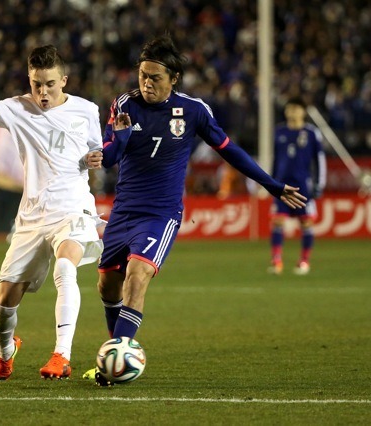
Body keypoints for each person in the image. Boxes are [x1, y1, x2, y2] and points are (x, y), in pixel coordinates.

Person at [83, 35, 306, 383]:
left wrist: (271, 185)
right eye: (142, 75)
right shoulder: (124, 104)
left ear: (173, 79)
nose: (146, 83)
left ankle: (117, 358)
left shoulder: (193, 110)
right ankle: (116, 352)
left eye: (155, 77)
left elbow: (230, 150)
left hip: (161, 214)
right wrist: (119, 140)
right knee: (106, 287)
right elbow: (109, 157)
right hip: (123, 212)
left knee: (136, 276)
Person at [0, 43, 104, 380]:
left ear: (64, 80)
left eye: (50, 84)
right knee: (5, 302)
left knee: (66, 269)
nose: (43, 92)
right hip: (32, 215)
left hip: (72, 207)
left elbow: (94, 151)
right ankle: (7, 351)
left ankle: (61, 355)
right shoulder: (16, 108)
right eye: (36, 84)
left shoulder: (87, 110)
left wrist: (93, 160)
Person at [268, 97, 326, 275]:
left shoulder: (311, 133)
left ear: (303, 111)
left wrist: (319, 184)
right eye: (289, 108)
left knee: (306, 223)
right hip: (282, 186)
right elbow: (275, 160)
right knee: (277, 221)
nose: (292, 111)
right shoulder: (279, 132)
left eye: (296, 108)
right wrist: (270, 182)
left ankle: (304, 261)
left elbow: (320, 160)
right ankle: (276, 260)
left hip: (303, 186)